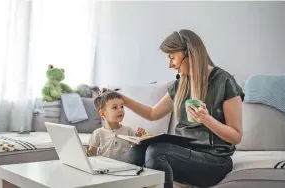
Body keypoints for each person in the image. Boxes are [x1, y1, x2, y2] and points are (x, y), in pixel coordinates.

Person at [101, 29, 244, 188]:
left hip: (215, 161)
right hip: (186, 153)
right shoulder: (181, 85)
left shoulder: (224, 81)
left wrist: (206, 119)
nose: (170, 64)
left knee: (158, 153)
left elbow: (236, 136)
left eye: (172, 57)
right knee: (137, 151)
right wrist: (121, 98)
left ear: (188, 52)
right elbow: (152, 113)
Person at [86, 91, 147, 161]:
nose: (120, 110)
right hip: (105, 167)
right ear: (102, 114)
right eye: (115, 107)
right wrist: (86, 153)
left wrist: (138, 138)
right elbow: (92, 153)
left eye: (122, 106)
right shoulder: (98, 133)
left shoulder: (128, 131)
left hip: (125, 168)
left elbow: (136, 151)